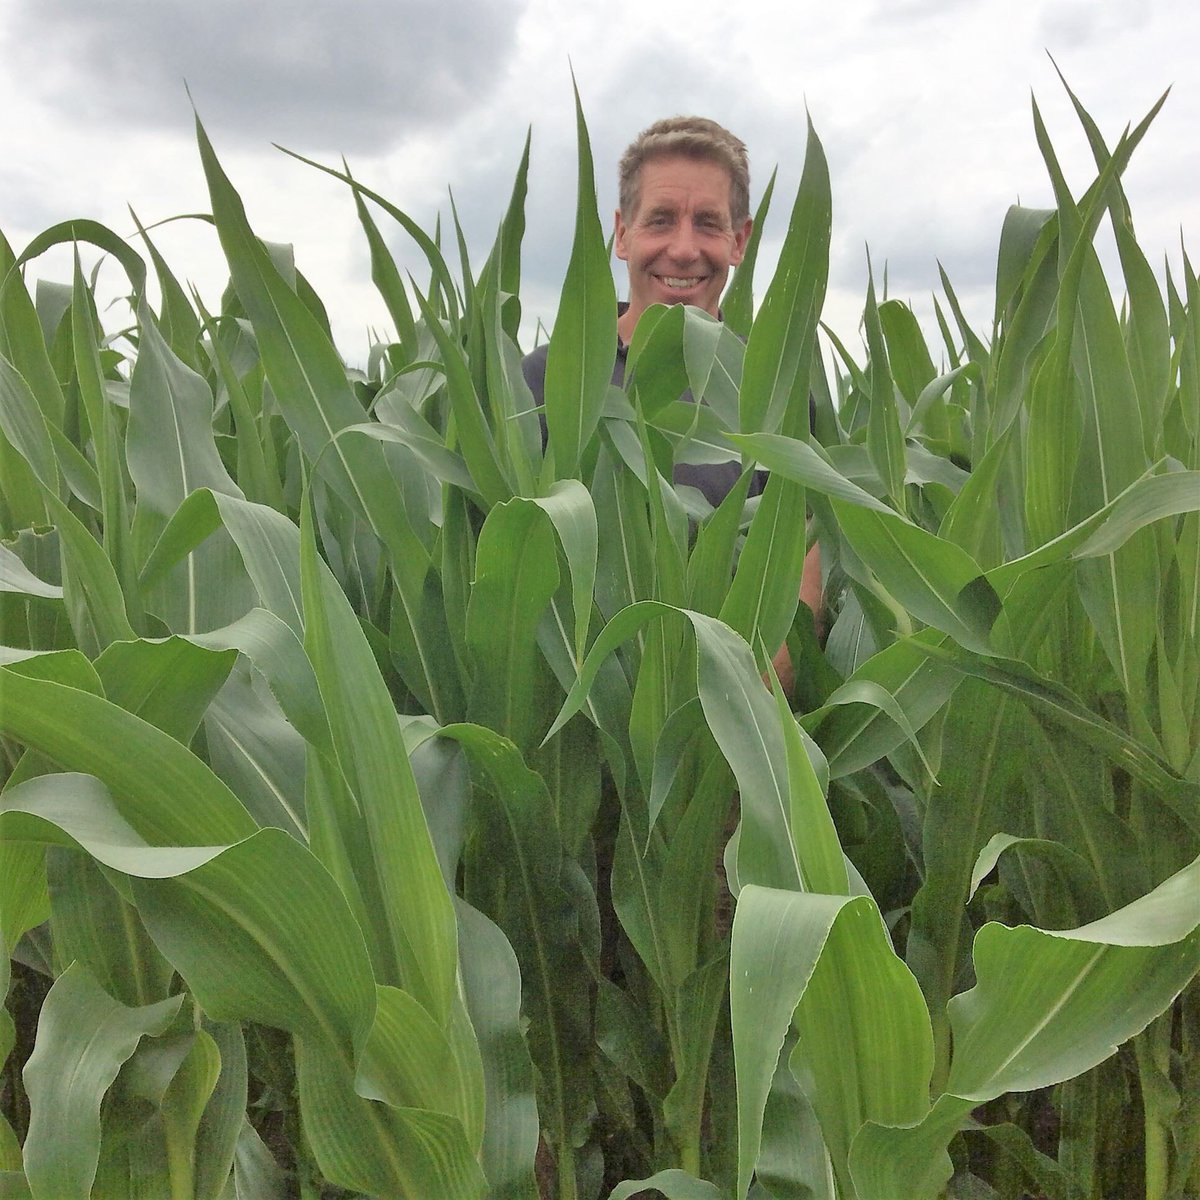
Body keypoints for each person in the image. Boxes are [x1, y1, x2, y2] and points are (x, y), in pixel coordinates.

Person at [521, 116, 821, 657]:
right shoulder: (546, 381)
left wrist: (766, 672)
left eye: (708, 223)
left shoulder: (774, 391)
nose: (684, 250)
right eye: (660, 220)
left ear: (739, 241)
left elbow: (804, 555)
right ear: (621, 233)